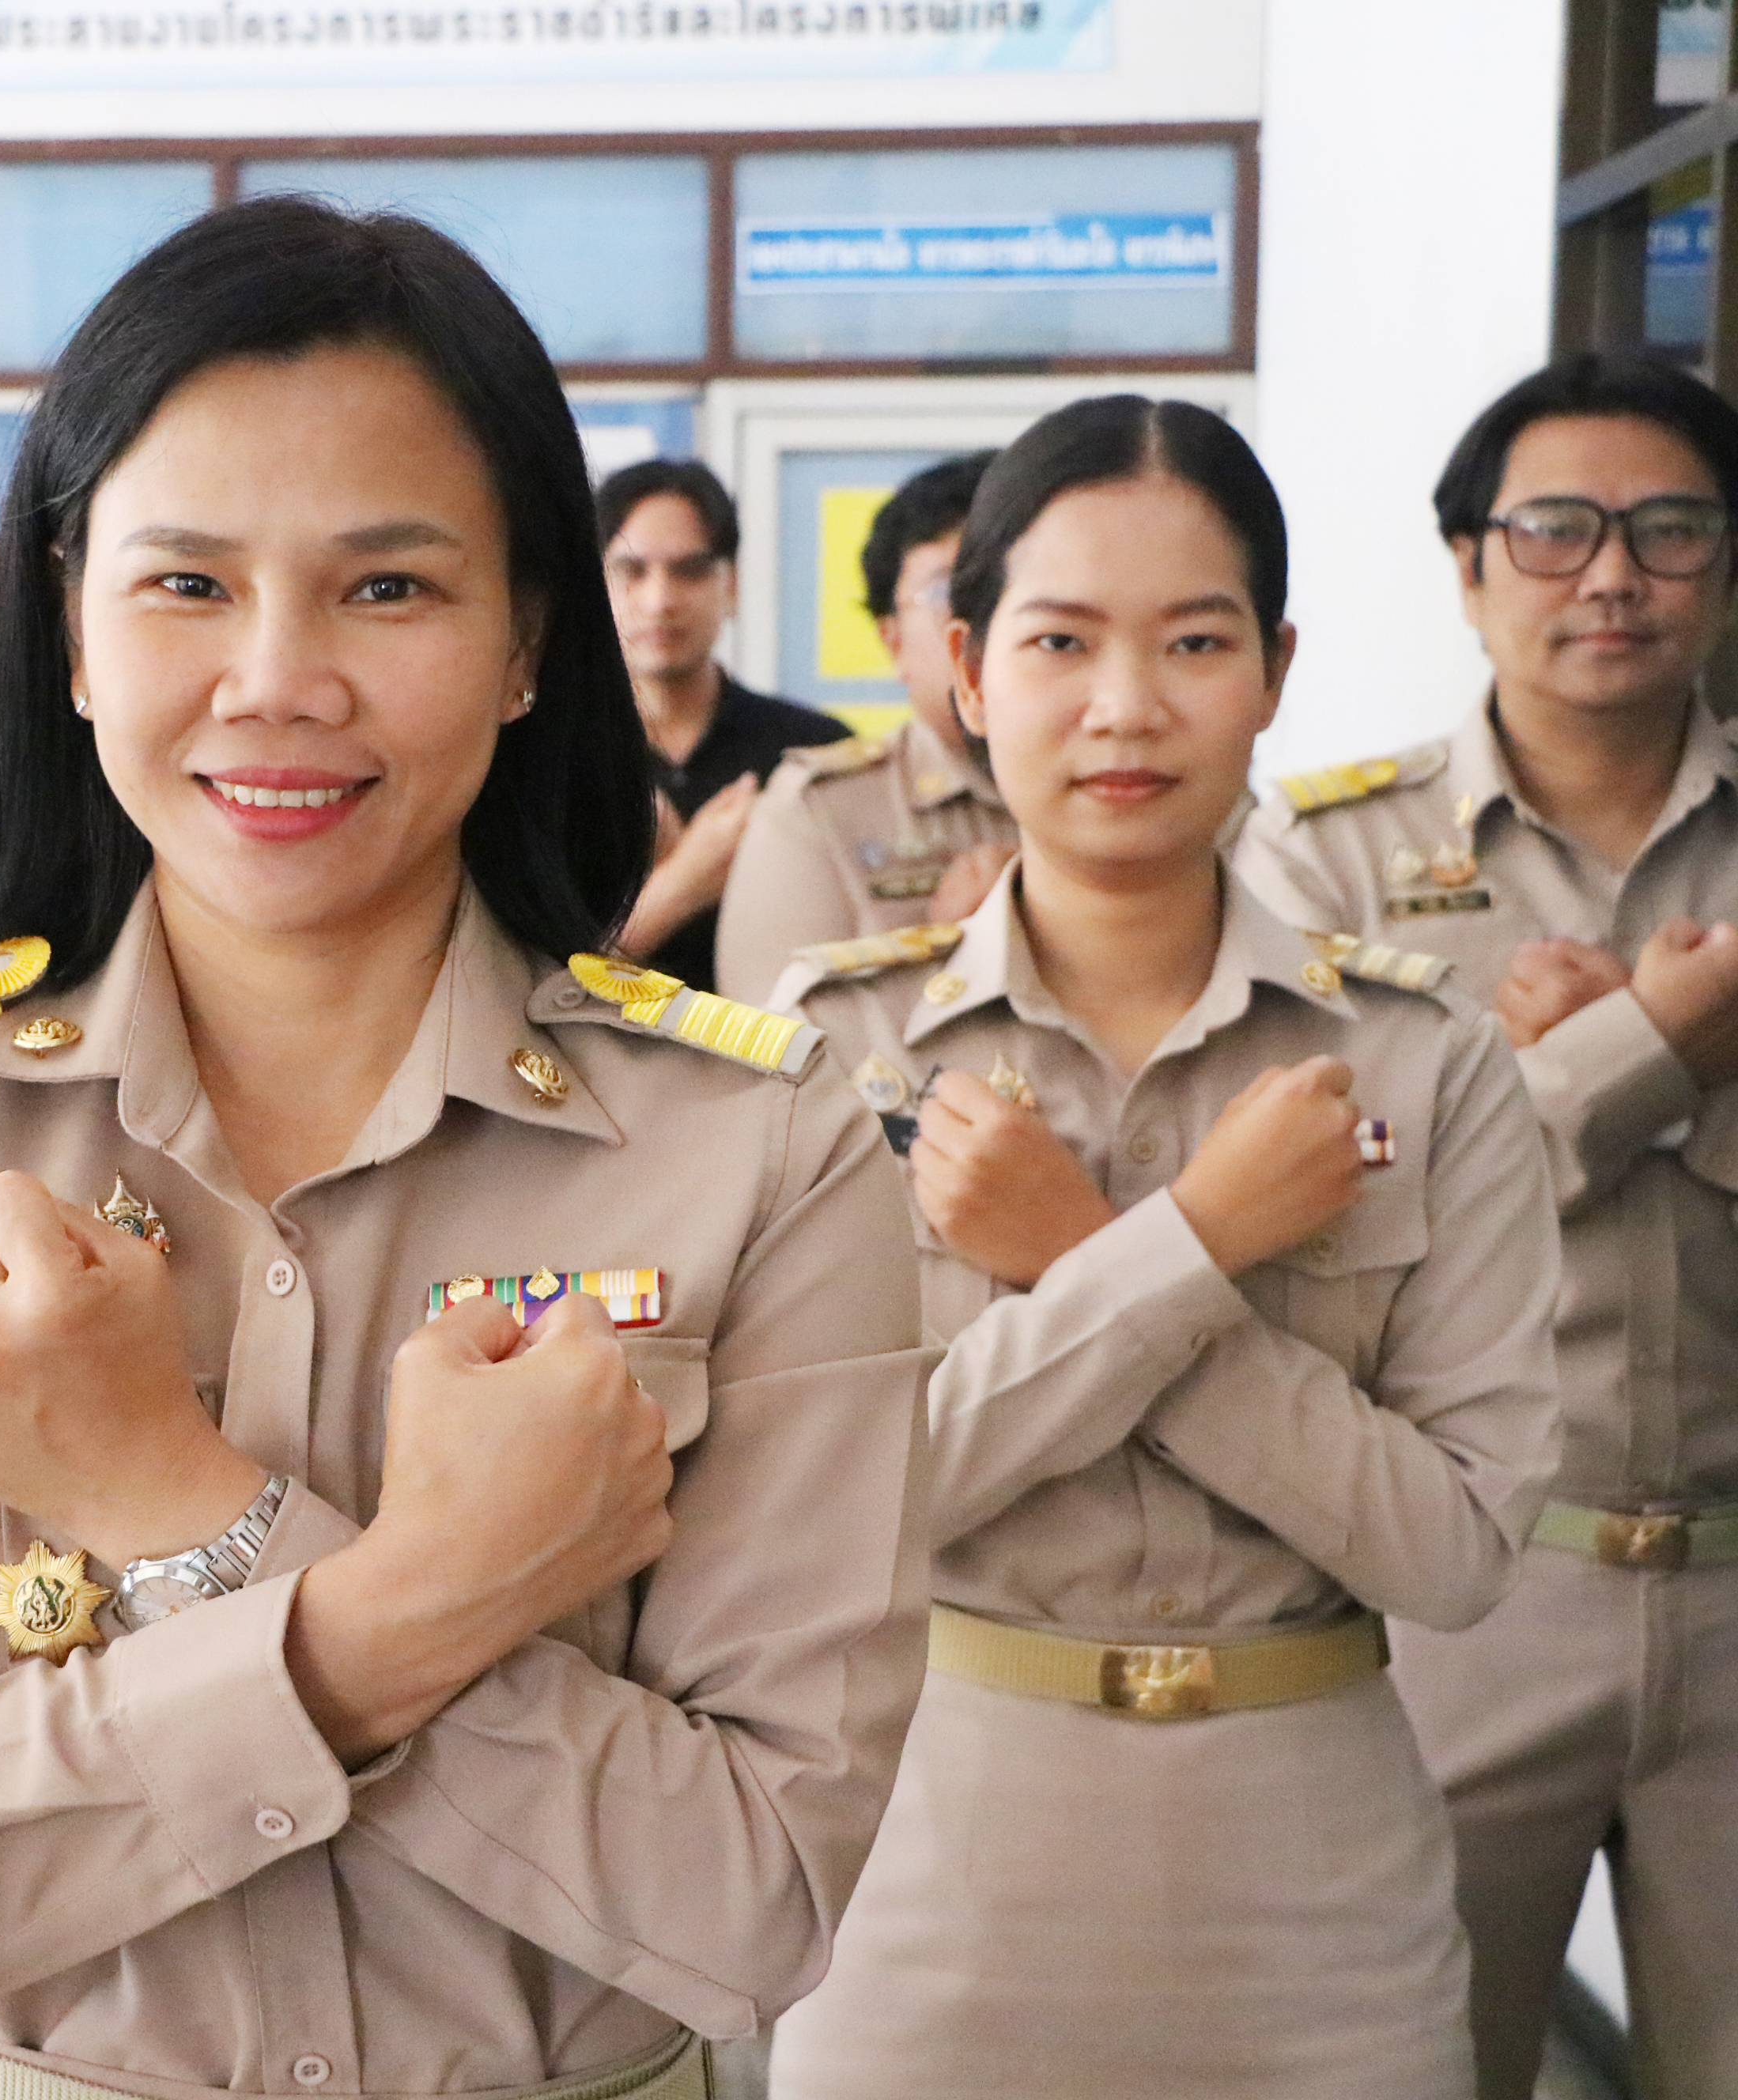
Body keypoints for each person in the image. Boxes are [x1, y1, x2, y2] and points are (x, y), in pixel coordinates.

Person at [0, 196, 928, 2100]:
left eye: (387, 588)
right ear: (76, 630)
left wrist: (177, 1512)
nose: (277, 679)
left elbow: (753, 1900)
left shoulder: (761, 1149)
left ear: (526, 639)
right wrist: (390, 1611)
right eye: (185, 585)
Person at [765, 397, 1562, 2098]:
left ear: (1273, 668)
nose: (1127, 705)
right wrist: (1188, 1245)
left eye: (1194, 640)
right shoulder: (836, 1046)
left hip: (1317, 1893)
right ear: (971, 668)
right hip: (929, 1864)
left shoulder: (1426, 1059)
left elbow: (1457, 1546)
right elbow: (820, 1504)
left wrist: (1080, 1249)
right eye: (1063, 640)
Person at [1234, 352, 1738, 2100]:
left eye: (1670, 530)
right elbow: (1334, 1207)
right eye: (1555, 529)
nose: (1613, 574)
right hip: (1474, 1592)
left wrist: (1574, 1071)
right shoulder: (1330, 860)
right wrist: (1664, 1040)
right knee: (1423, 2066)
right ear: (1467, 565)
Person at [713, 452, 1014, 1003]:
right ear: (892, 639)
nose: (983, 623)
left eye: (1005, 588)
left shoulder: (1142, 786)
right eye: (949, 593)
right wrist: (970, 955)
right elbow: (771, 1058)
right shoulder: (820, 811)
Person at [595, 458, 849, 993]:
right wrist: (683, 882)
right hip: (591, 1069)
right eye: (632, 571)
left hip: (782, 1067)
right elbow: (527, 991)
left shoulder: (814, 751)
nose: (660, 601)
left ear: (731, 585)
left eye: (690, 570)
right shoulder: (543, 758)